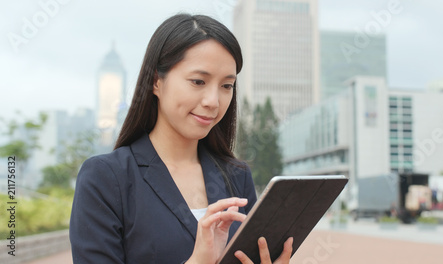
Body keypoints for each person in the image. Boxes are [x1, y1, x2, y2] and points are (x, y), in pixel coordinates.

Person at [69, 13, 293, 264]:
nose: (213, 102)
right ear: (156, 81)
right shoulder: (106, 178)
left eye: (226, 86)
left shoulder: (237, 176)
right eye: (198, 81)